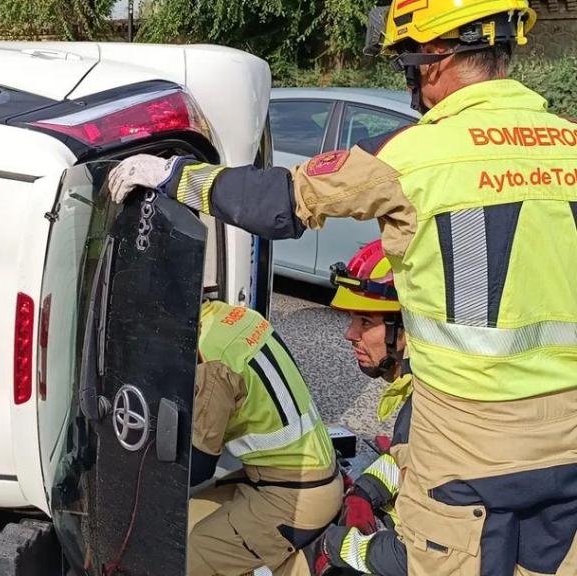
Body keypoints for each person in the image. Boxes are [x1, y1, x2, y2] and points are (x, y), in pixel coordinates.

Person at [110, 1, 577, 573]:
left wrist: (176, 177)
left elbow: (283, 201)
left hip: (466, 445)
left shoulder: (417, 156)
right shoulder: (570, 143)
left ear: (432, 60)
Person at [188, 300, 342, 576]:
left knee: (191, 553)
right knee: (188, 516)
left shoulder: (211, 358)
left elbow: (197, 466)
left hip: (293, 495)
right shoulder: (239, 317)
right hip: (303, 475)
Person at [310, 240, 410, 576]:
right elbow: (406, 456)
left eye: (365, 322)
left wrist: (334, 546)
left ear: (408, 329)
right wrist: (365, 492)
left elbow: (422, 555)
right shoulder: (423, 388)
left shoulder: (440, 409)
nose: (350, 334)